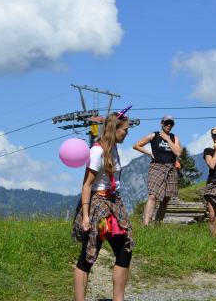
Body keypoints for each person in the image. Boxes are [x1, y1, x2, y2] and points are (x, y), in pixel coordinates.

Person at [72, 110, 135, 301]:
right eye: (125, 130)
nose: (127, 133)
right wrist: (85, 216)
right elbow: (87, 185)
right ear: (114, 129)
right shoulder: (97, 151)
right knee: (89, 254)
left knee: (125, 249)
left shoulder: (114, 147)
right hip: (98, 205)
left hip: (114, 203)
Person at [133, 115, 182, 225]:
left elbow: (178, 152)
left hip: (171, 168)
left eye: (171, 123)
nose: (169, 125)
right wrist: (149, 153)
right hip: (156, 167)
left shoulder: (174, 138)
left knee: (166, 198)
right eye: (167, 123)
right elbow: (136, 145)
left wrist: (168, 139)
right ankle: (146, 225)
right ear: (162, 123)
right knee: (152, 195)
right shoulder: (154, 135)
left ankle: (157, 224)